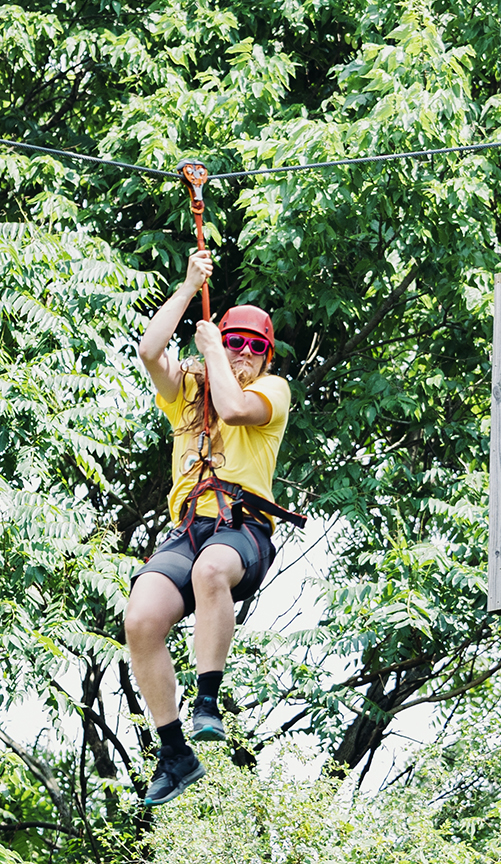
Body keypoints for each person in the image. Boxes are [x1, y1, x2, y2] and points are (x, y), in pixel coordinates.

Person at [125, 249, 298, 806]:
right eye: (234, 341)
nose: (243, 352)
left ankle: (207, 701)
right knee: (140, 617)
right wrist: (187, 287)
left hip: (242, 526)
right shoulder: (187, 392)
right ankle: (174, 752)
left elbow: (233, 408)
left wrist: (212, 354)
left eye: (254, 347)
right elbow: (149, 351)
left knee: (211, 570)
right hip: (189, 526)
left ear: (266, 358)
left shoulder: (270, 392)